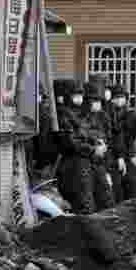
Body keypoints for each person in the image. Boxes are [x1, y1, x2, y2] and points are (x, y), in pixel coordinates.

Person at [55, 80, 96, 214]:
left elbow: (87, 135)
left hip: (84, 162)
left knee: (87, 201)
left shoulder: (79, 114)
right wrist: (92, 149)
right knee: (82, 203)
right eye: (75, 95)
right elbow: (71, 142)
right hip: (73, 164)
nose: (79, 98)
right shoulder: (63, 114)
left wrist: (94, 143)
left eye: (80, 95)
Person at [83, 81, 114, 210]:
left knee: (107, 198)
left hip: (101, 163)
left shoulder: (103, 117)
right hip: (87, 163)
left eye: (99, 101)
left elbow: (109, 138)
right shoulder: (82, 117)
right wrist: (96, 143)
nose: (98, 104)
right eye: (95, 101)